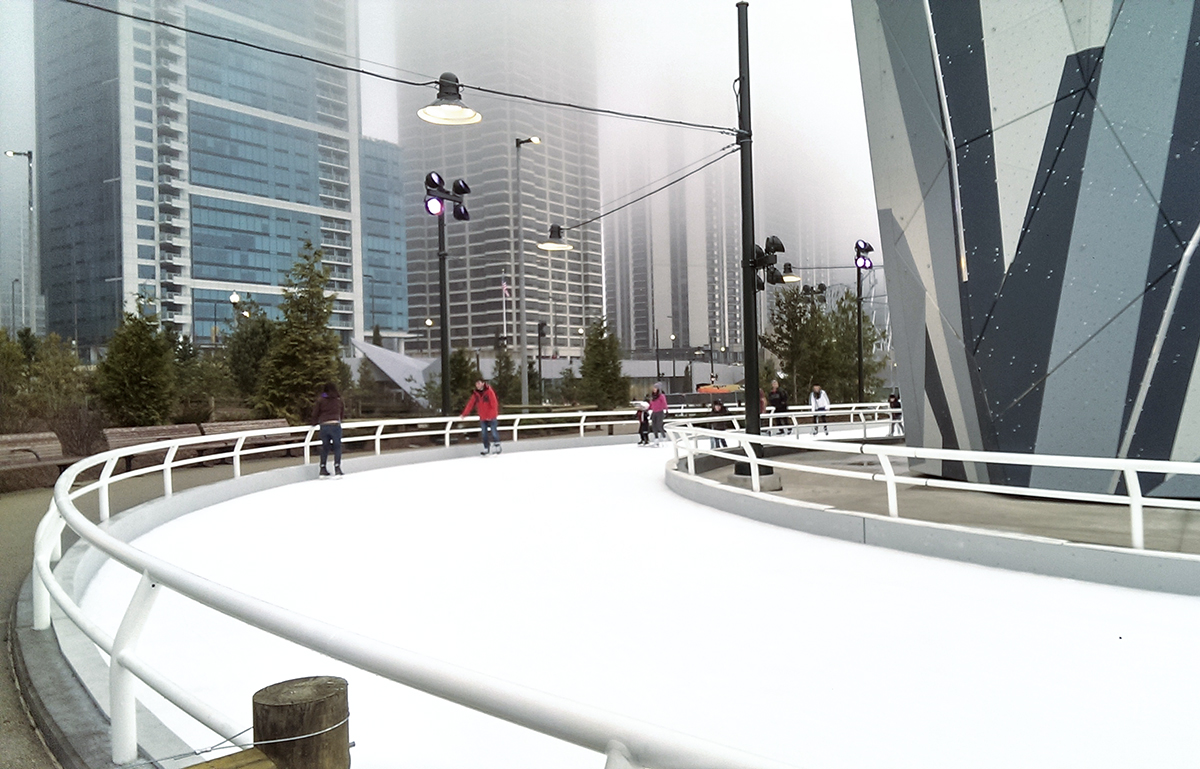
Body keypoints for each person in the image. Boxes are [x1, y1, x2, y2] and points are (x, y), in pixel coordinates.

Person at [311, 381, 345, 477]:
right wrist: (339, 420)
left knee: (325, 447)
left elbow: (315, 413)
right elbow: (342, 412)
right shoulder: (338, 399)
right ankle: (337, 468)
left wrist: (314, 422)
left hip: (324, 425)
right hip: (335, 424)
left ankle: (322, 468)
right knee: (337, 447)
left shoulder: (321, 399)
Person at [461, 379, 502, 455]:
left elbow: (494, 403)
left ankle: (497, 446)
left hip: (491, 416)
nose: (478, 385)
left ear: (483, 383)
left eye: (479, 383)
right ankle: (486, 447)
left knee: (494, 431)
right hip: (483, 417)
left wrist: (492, 415)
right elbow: (470, 404)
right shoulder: (476, 394)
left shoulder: (489, 391)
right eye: (476, 383)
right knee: (484, 433)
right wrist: (464, 414)